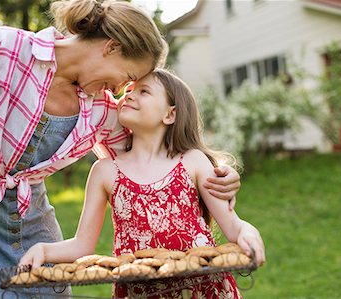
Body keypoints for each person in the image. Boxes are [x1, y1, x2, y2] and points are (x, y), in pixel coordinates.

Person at [0, 1, 242, 298]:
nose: (120, 90)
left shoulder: (103, 111)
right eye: (128, 77)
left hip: (36, 229)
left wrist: (216, 173)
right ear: (112, 47)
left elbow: (153, 164)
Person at [19, 69, 266, 298]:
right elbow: (82, 245)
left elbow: (234, 227)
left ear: (170, 114)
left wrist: (249, 234)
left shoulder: (192, 162)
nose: (129, 96)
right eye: (127, 91)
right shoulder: (105, 171)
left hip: (204, 289)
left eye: (143, 91)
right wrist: (45, 249)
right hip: (140, 292)